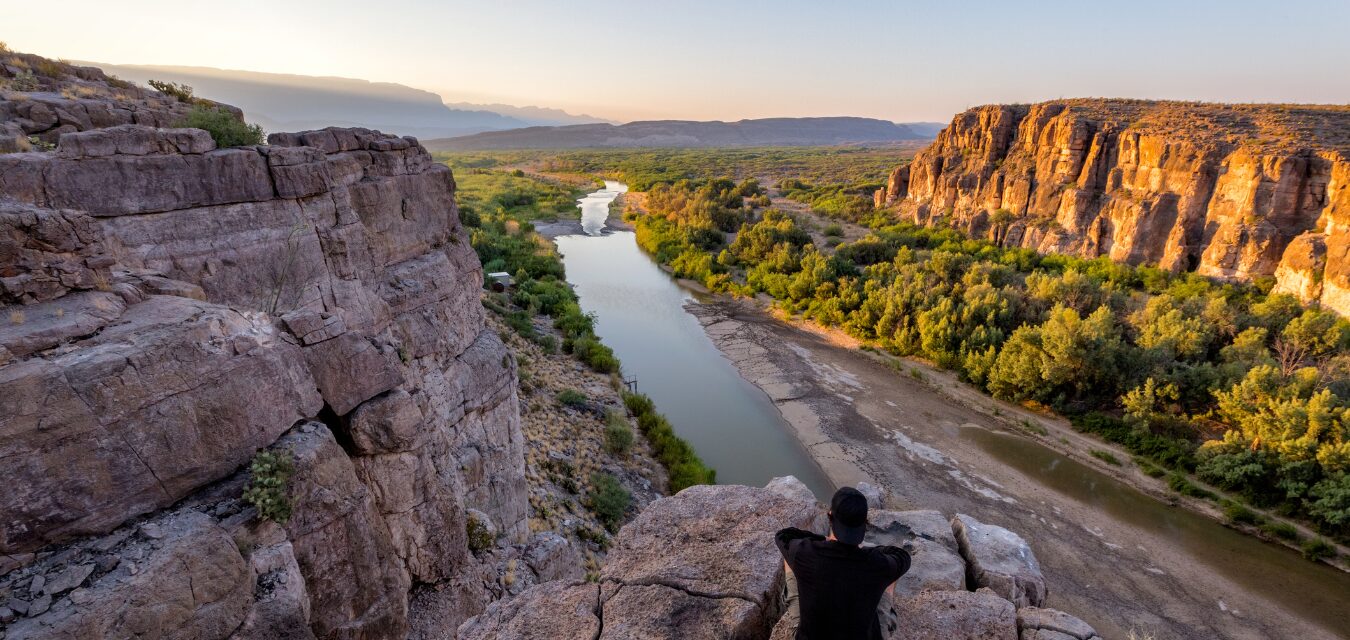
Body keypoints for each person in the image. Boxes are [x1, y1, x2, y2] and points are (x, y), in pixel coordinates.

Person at [775, 487, 911, 640]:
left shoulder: (807, 552)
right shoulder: (876, 563)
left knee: (790, 558)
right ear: (865, 523)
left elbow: (783, 536)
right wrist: (869, 550)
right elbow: (902, 556)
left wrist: (823, 540)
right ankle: (886, 617)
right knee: (890, 574)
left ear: (830, 517)